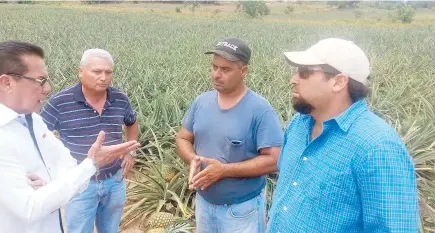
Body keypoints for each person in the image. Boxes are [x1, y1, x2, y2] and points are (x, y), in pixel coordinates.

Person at [0, 41, 140, 233]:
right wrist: (90, 165)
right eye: (40, 80)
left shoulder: (30, 120)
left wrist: (51, 186)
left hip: (108, 183)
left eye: (108, 72)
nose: (48, 88)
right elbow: (30, 208)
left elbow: (65, 162)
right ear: (7, 82)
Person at [266, 38, 419, 232]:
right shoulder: (299, 124)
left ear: (338, 82)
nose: (293, 79)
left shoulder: (377, 147)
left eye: (304, 72)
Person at [175, 37, 284, 233]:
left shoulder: (260, 110)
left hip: (242, 211)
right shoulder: (201, 102)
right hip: (204, 204)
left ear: (243, 71)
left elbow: (275, 160)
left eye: (225, 69)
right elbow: (183, 137)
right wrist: (192, 159)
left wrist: (224, 170)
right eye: (214, 67)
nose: (217, 74)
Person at [40, 48, 138, 233]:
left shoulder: (120, 99)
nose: (103, 77)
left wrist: (130, 153)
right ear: (80, 71)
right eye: (97, 71)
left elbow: (131, 122)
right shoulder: (60, 102)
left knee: (110, 229)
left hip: (114, 180)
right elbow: (39, 135)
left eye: (108, 72)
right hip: (80, 184)